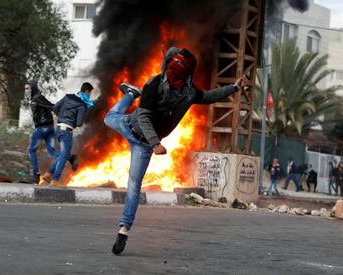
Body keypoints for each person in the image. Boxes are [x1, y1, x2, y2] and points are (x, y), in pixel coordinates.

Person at [104, 47, 248, 255]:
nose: (173, 75)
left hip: (143, 145)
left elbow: (208, 96)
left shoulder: (189, 93)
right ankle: (131, 94)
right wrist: (156, 143)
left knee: (133, 187)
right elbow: (143, 117)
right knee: (109, 117)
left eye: (177, 70)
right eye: (172, 68)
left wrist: (234, 88)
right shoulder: (153, 84)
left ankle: (124, 231)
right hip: (130, 126)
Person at [40, 82, 94, 186]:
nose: (89, 95)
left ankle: (48, 174)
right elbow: (79, 123)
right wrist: (83, 112)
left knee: (64, 155)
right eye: (89, 93)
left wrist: (62, 118)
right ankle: (54, 179)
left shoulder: (67, 97)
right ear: (87, 91)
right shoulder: (82, 105)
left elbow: (55, 107)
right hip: (67, 131)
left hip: (59, 128)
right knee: (64, 155)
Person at [25, 80, 59, 183]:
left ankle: (36, 175)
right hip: (49, 128)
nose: (26, 91)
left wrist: (59, 114)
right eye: (25, 89)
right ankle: (68, 157)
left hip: (42, 128)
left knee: (31, 150)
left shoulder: (37, 97)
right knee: (52, 152)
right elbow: (50, 107)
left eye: (27, 88)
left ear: (33, 88)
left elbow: (52, 106)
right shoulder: (35, 98)